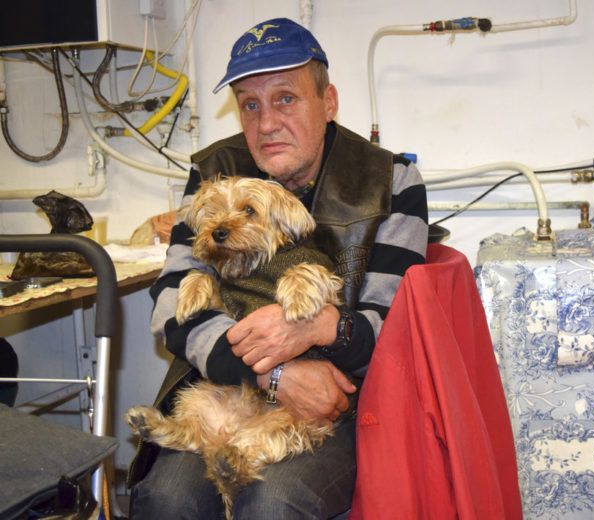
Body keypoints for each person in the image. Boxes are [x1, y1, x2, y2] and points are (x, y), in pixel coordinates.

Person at [128, 17, 429, 519]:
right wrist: (275, 374)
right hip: (225, 392)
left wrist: (325, 326)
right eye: (250, 105)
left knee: (273, 500)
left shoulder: (391, 180)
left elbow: (392, 321)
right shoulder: (210, 173)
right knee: (167, 498)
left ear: (328, 102)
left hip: (341, 406)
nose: (266, 123)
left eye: (285, 98)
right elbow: (172, 307)